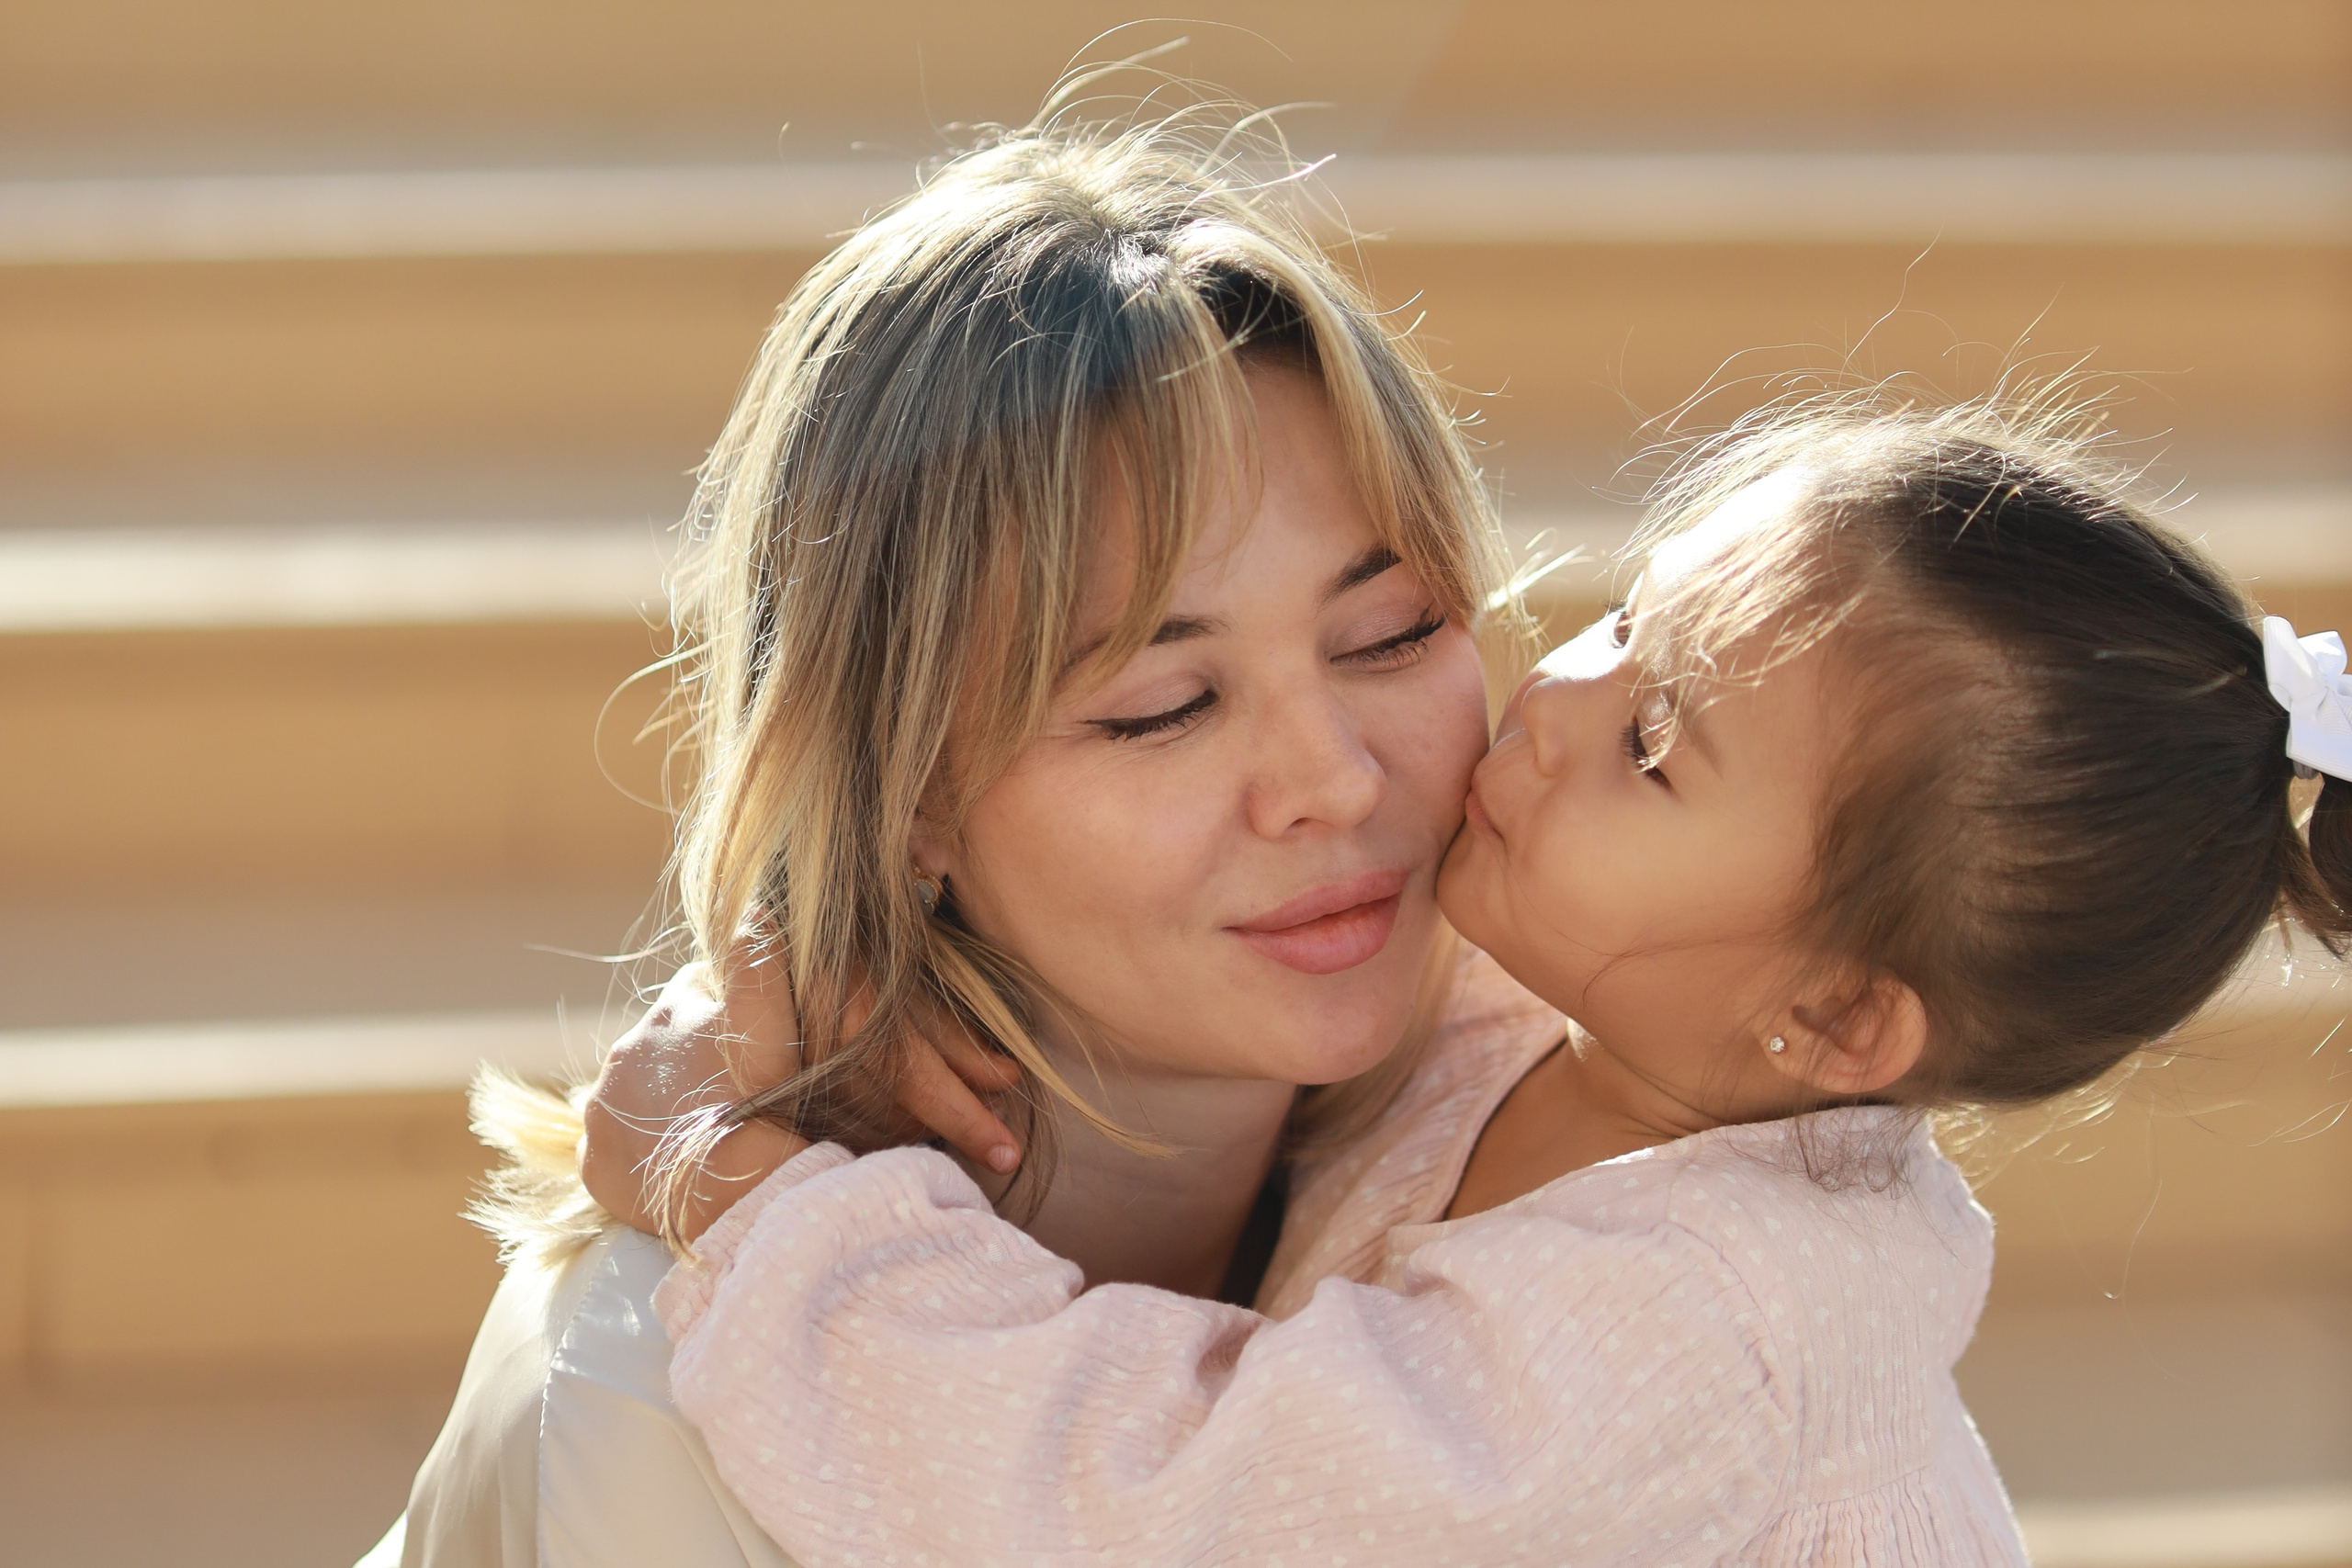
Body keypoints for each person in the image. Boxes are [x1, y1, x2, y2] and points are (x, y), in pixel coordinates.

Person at [609, 392, 2352, 1563]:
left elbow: (1138, 1512)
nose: (1553, 703)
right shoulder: (1540, 1030)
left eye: (1658, 742)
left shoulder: (1712, 1317)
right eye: (1619, 627)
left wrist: (749, 1198)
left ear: (1830, 1020)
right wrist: (847, 989)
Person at [370, 92, 1526, 1568]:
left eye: (1392, 631)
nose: (1338, 779)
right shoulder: (664, 1394)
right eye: (1165, 705)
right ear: (904, 792)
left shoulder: (1582, 1195)